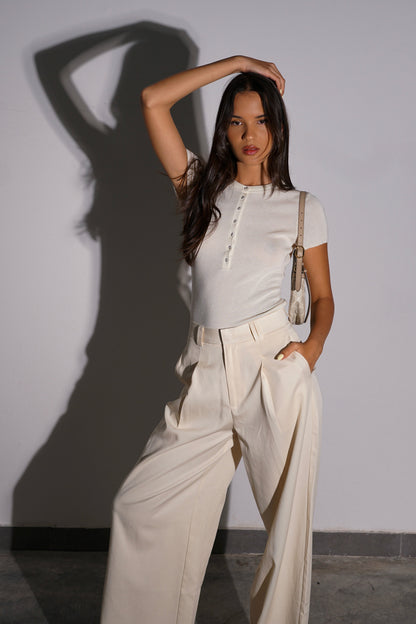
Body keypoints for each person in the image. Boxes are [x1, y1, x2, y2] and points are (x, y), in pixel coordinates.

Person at [100, 55, 334, 624]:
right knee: (140, 507)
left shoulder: (302, 208)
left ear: (278, 126)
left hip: (271, 370)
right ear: (224, 129)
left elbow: (325, 298)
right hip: (204, 371)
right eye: (236, 121)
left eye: (261, 121)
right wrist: (239, 63)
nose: (250, 134)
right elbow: (152, 100)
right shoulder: (198, 189)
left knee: (286, 532)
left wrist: (309, 351)